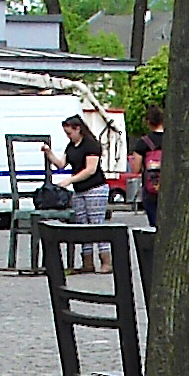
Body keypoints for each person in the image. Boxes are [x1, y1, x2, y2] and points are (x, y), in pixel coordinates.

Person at [61, 113, 109, 270]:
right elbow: (61, 164)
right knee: (82, 225)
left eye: (69, 133)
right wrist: (48, 153)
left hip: (95, 188)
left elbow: (90, 169)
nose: (68, 136)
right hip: (79, 191)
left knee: (96, 224)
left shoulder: (90, 144)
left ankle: (105, 261)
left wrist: (70, 180)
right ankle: (87, 262)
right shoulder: (71, 146)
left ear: (78, 129)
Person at [140, 103, 164, 227]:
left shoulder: (143, 143)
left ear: (148, 122)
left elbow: (135, 168)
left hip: (151, 189)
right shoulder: (171, 139)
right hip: (169, 187)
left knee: (154, 224)